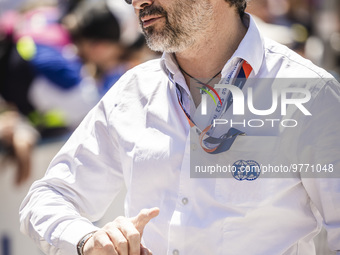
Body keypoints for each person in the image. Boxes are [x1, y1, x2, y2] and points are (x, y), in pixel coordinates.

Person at [19, 0, 340, 255]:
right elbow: (49, 196)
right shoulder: (133, 90)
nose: (138, 3)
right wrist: (86, 239)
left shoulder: (308, 92)